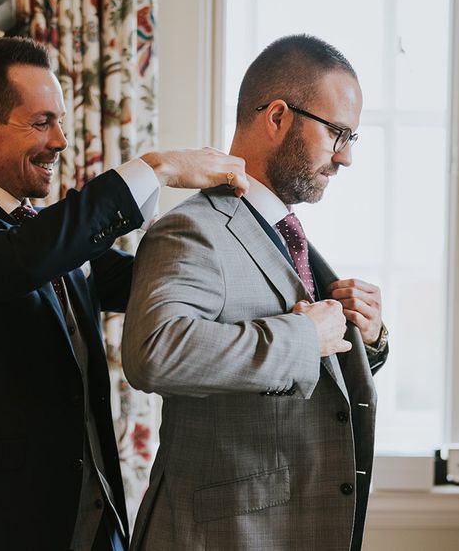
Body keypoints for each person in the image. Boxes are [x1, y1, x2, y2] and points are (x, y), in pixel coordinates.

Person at [0, 36, 247, 551]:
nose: (61, 140)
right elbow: (22, 260)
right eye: (42, 122)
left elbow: (146, 281)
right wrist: (157, 168)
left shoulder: (49, 234)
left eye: (60, 121)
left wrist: (240, 244)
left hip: (95, 522)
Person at [122, 34, 389, 551]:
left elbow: (310, 379)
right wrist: (302, 339)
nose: (345, 159)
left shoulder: (287, 233)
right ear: (277, 117)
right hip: (224, 534)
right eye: (338, 134)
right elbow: (154, 354)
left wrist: (370, 340)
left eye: (351, 139)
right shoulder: (192, 229)